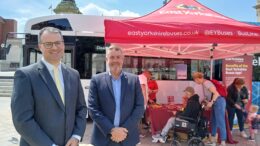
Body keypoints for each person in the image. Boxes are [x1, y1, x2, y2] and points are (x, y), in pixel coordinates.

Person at [11, 27, 87, 146]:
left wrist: (76, 136)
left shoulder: (74, 74)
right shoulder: (25, 75)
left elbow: (81, 109)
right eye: (48, 44)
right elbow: (22, 120)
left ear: (63, 44)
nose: (55, 47)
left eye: (58, 43)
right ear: (40, 46)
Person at [88, 45, 145, 146]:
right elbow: (93, 108)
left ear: (123, 59)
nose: (115, 60)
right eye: (112, 57)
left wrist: (123, 131)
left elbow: (139, 107)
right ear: (107, 59)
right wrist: (111, 130)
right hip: (103, 137)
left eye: (118, 57)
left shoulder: (134, 80)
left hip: (128, 137)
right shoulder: (96, 80)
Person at [192, 72, 226, 146]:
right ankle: (213, 140)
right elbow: (210, 95)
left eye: (194, 80)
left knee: (220, 121)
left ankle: (223, 141)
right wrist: (208, 103)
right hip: (215, 102)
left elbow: (216, 93)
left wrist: (211, 102)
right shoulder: (204, 84)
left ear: (197, 79)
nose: (195, 82)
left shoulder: (207, 83)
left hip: (219, 101)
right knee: (213, 121)